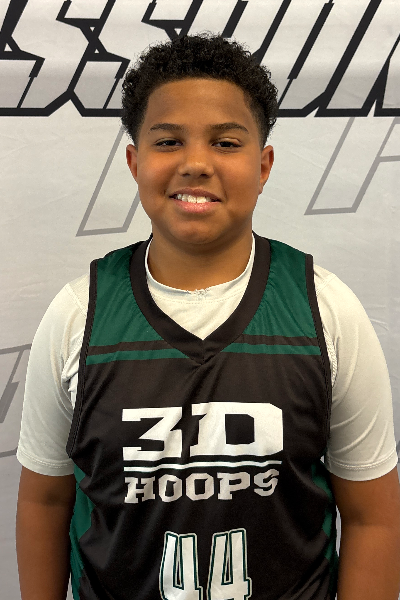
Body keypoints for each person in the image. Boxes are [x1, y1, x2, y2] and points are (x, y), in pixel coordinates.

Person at [16, 34, 400, 600]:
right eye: (169, 141)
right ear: (135, 162)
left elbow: (373, 516)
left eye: (225, 142)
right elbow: (45, 500)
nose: (196, 163)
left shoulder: (326, 308)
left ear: (263, 165)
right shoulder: (79, 313)